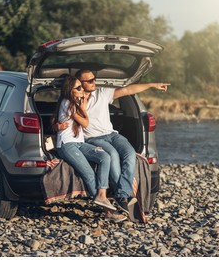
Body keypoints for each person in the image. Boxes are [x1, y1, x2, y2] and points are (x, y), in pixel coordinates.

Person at [71, 69, 170, 215]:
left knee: (130, 153)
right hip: (93, 138)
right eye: (90, 81)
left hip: (112, 135)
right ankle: (123, 196)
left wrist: (152, 84)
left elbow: (128, 89)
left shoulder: (102, 93)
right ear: (80, 83)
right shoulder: (75, 101)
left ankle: (122, 193)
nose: (94, 83)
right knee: (112, 154)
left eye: (94, 79)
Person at [52, 75, 117, 212]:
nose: (82, 90)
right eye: (78, 88)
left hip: (79, 143)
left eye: (82, 87)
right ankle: (107, 211)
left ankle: (101, 195)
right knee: (88, 174)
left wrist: (82, 106)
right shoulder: (67, 103)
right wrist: (83, 108)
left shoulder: (74, 103)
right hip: (67, 145)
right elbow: (86, 123)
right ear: (70, 90)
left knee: (105, 157)